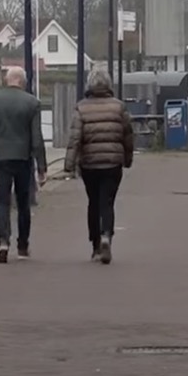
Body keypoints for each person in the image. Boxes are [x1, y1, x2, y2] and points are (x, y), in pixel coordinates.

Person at [0, 66, 47, 263]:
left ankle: (3, 242)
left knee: (2, 201)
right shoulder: (32, 102)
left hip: (0, 157)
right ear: (23, 81)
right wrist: (41, 168)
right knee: (23, 202)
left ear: (7, 80)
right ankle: (22, 246)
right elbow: (37, 139)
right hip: (23, 158)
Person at [63, 67, 135, 264]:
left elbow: (75, 138)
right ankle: (106, 236)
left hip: (90, 164)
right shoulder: (119, 107)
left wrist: (69, 165)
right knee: (108, 201)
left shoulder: (81, 108)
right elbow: (127, 135)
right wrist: (127, 159)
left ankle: (95, 246)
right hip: (112, 163)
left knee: (93, 202)